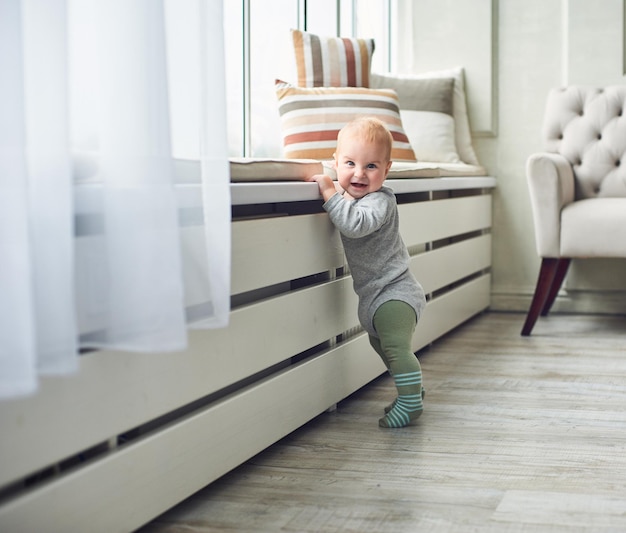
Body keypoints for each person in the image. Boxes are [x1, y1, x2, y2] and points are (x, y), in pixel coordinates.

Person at [307, 117, 426, 428]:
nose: (359, 173)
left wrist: (329, 192)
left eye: (371, 166)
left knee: (395, 347)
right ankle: (412, 390)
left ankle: (411, 402)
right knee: (381, 344)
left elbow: (354, 225)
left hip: (395, 294)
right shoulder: (355, 197)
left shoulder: (380, 201)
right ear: (336, 163)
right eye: (350, 163)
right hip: (376, 295)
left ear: (386, 170)